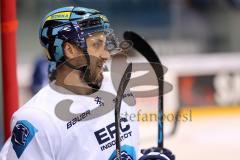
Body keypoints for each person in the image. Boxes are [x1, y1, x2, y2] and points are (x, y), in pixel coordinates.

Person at [0, 7, 174, 160]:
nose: (106, 55)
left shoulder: (117, 87)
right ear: (70, 50)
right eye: (97, 45)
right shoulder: (37, 119)